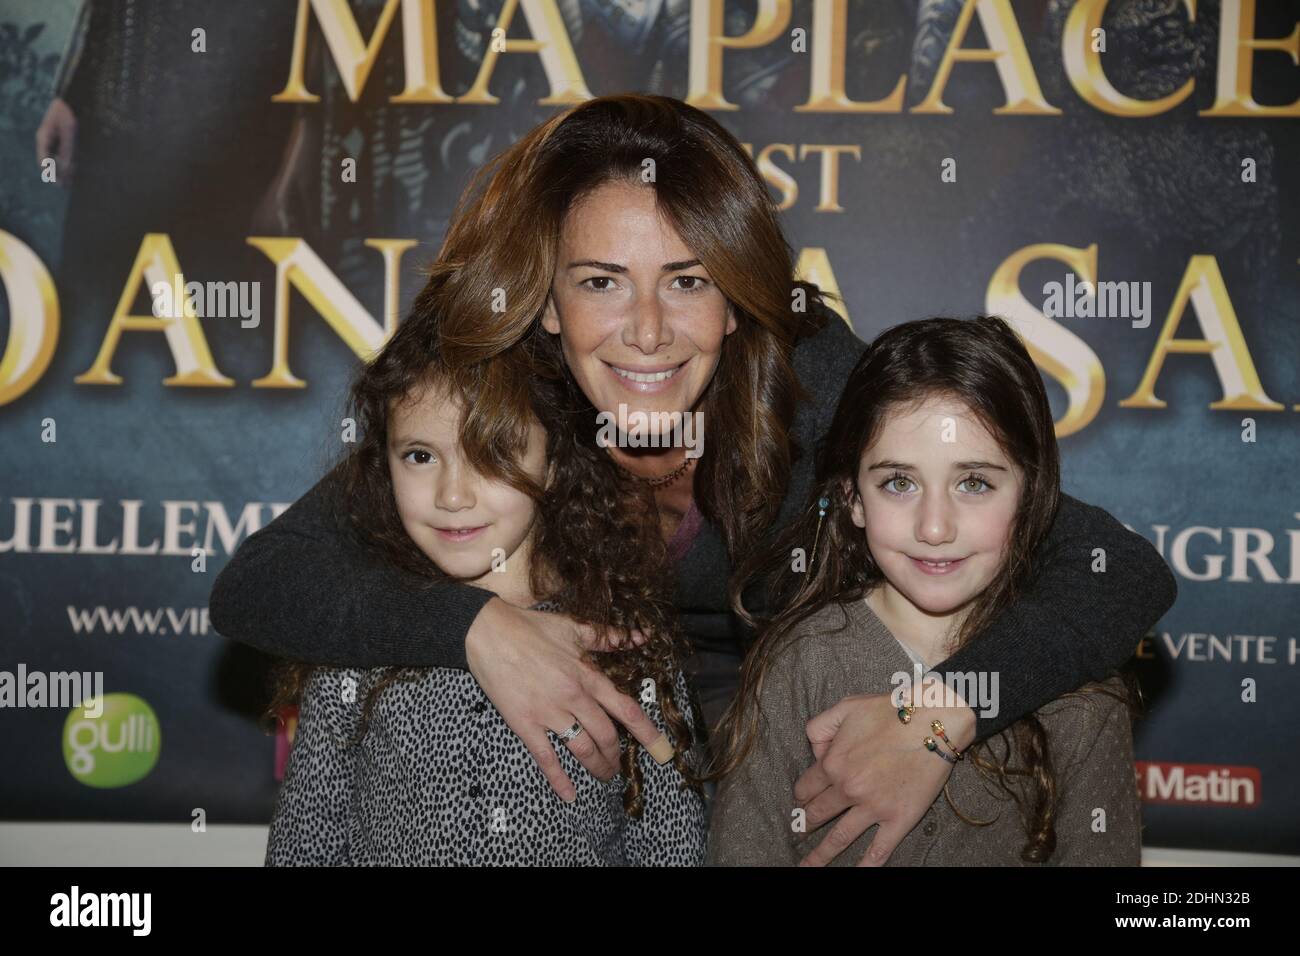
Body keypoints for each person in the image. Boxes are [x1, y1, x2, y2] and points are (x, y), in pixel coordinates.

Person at [212, 94, 1177, 865]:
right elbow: (260, 581)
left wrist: (944, 715)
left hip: (795, 763)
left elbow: (1117, 568)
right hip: (599, 785)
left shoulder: (816, 385)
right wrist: (477, 628)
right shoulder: (500, 400)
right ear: (546, 302)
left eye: (688, 280)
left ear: (738, 297)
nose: (646, 331)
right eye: (599, 282)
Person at [264, 290, 705, 865]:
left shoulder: (626, 642)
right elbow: (306, 846)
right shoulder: (361, 645)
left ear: (553, 460)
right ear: (384, 461)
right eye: (420, 456)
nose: (451, 495)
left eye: (492, 451)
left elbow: (672, 848)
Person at [707, 316, 1141, 866]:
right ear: (853, 499)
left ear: (1032, 497)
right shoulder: (799, 661)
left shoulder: (1082, 695)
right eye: (899, 483)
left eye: (974, 483)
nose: (935, 527)